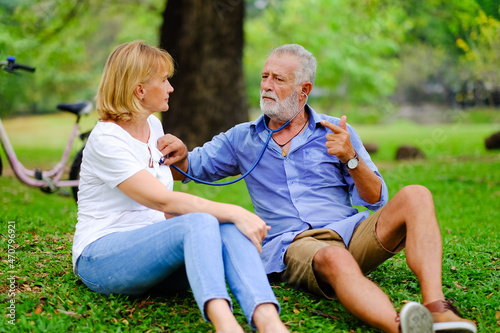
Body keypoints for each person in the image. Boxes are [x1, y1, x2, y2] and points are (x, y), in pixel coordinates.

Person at [159, 44, 477, 333]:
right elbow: (190, 167)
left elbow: (376, 199)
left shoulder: (336, 132)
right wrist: (176, 152)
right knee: (334, 258)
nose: (267, 85)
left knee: (417, 194)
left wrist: (350, 157)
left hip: (352, 232)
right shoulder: (242, 138)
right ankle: (403, 328)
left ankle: (438, 309)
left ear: (304, 89)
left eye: (279, 80)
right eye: (264, 77)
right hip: (295, 243)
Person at [72, 40, 289, 333]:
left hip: (153, 257)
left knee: (226, 229)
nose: (170, 88)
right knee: (202, 221)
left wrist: (225, 223)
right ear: (139, 90)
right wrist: (236, 211)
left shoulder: (154, 128)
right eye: (163, 81)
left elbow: (162, 213)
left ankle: (269, 321)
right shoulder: (106, 140)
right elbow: (162, 201)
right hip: (101, 258)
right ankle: (225, 325)